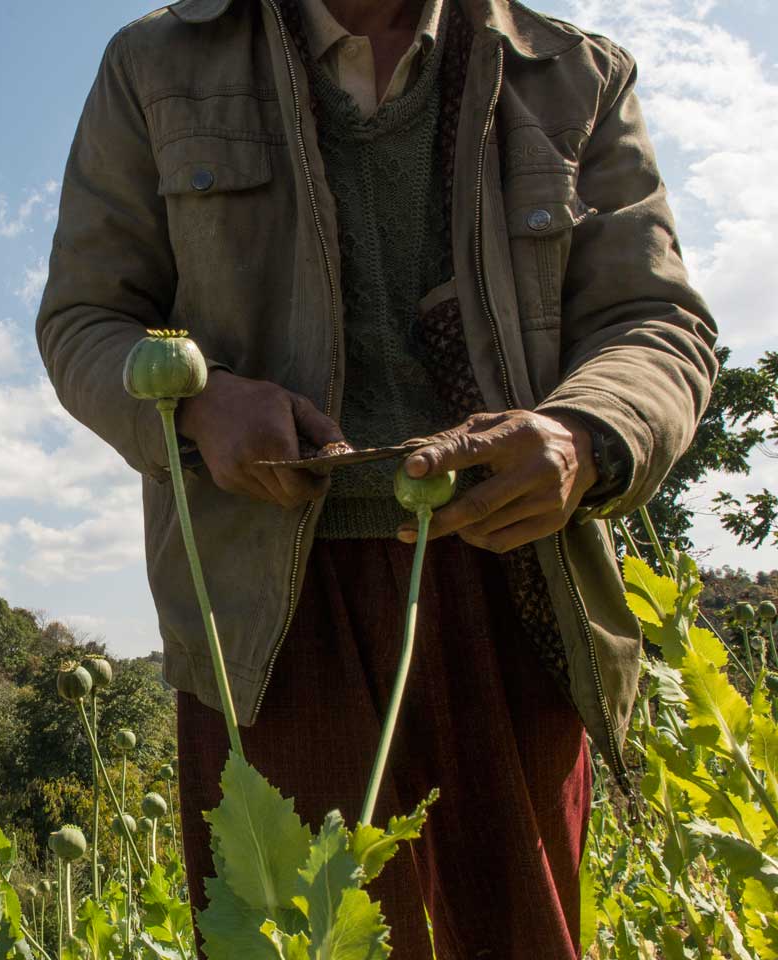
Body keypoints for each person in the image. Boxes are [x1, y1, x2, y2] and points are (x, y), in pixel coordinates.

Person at [36, 0, 716, 955]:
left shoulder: (571, 74)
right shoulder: (156, 62)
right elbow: (84, 317)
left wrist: (578, 434)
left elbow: (656, 321)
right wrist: (200, 404)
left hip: (513, 590)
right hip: (265, 616)